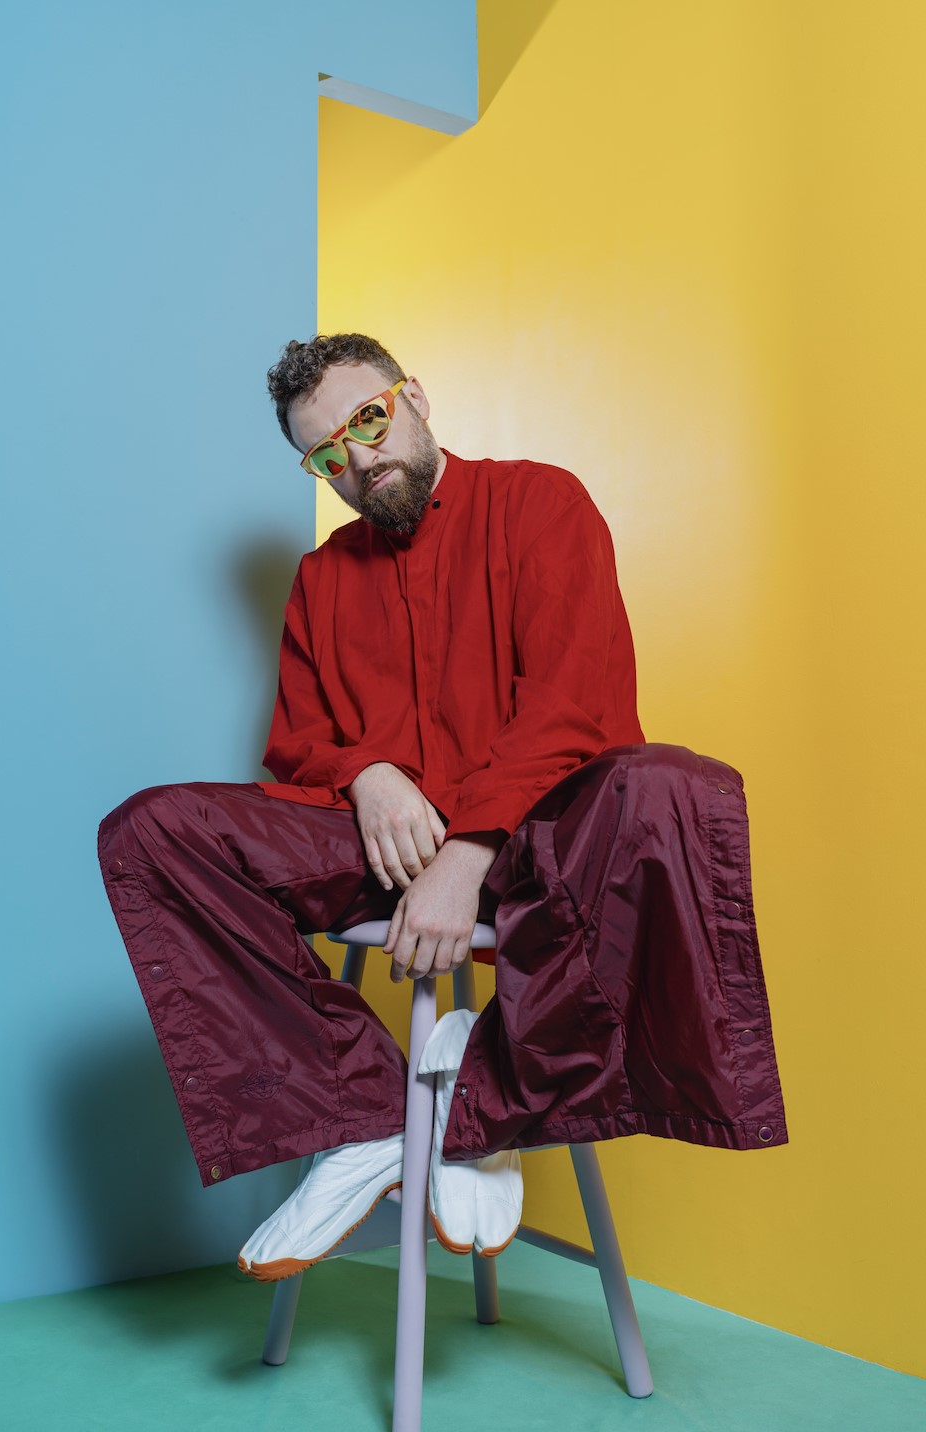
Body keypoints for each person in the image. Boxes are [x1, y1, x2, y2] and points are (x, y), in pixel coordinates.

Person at [98, 333, 786, 1284]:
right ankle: (364, 1114)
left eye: (368, 421)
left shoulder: (541, 502)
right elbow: (298, 743)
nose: (358, 458)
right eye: (327, 454)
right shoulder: (322, 578)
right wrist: (368, 771)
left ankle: (484, 1097)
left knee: (671, 787)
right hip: (377, 848)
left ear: (413, 397)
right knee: (151, 831)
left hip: (545, 843)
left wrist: (467, 856)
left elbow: (572, 705)